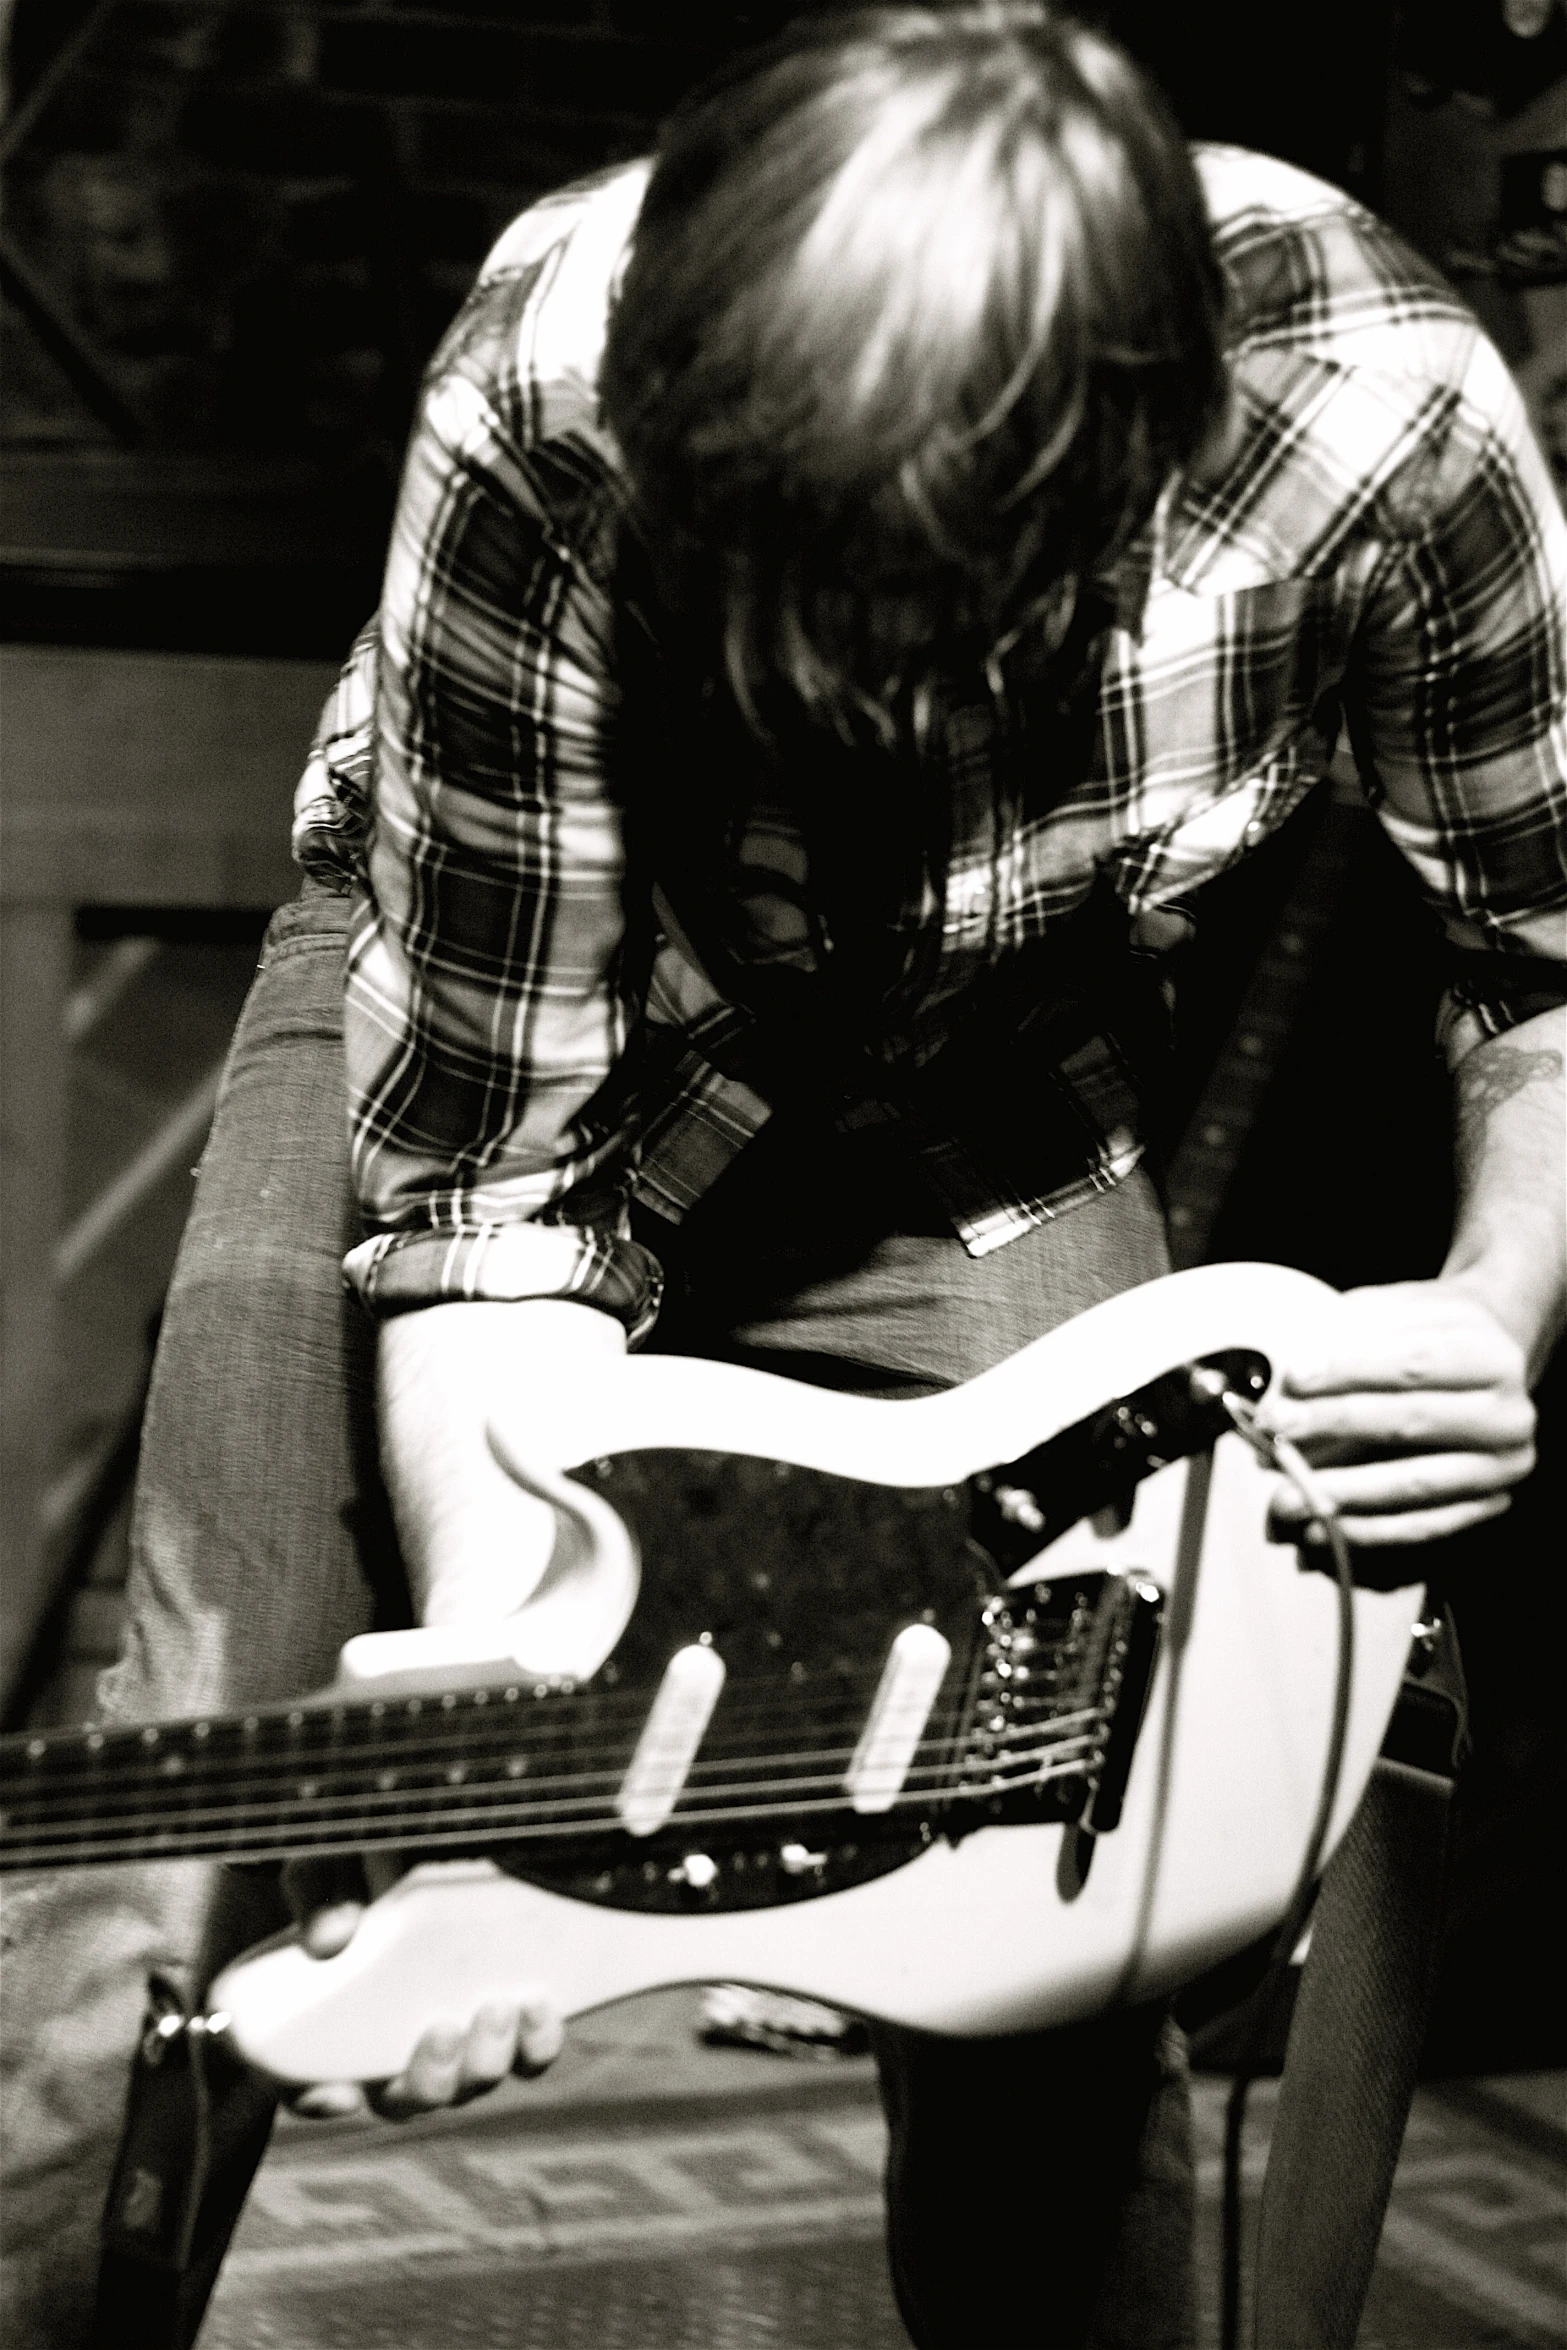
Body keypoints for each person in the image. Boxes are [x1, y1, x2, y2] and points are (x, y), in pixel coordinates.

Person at [3, 8, 1564, 2347]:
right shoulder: (552, 387)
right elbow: (496, 1202)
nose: (853, 682)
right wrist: (515, 1801)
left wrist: (1489, 1306)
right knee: (199, 1792)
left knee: (1088, 1838)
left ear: (1134, 466)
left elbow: (1542, 972)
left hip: (985, 1071)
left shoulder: (1390, 429)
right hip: (510, 993)